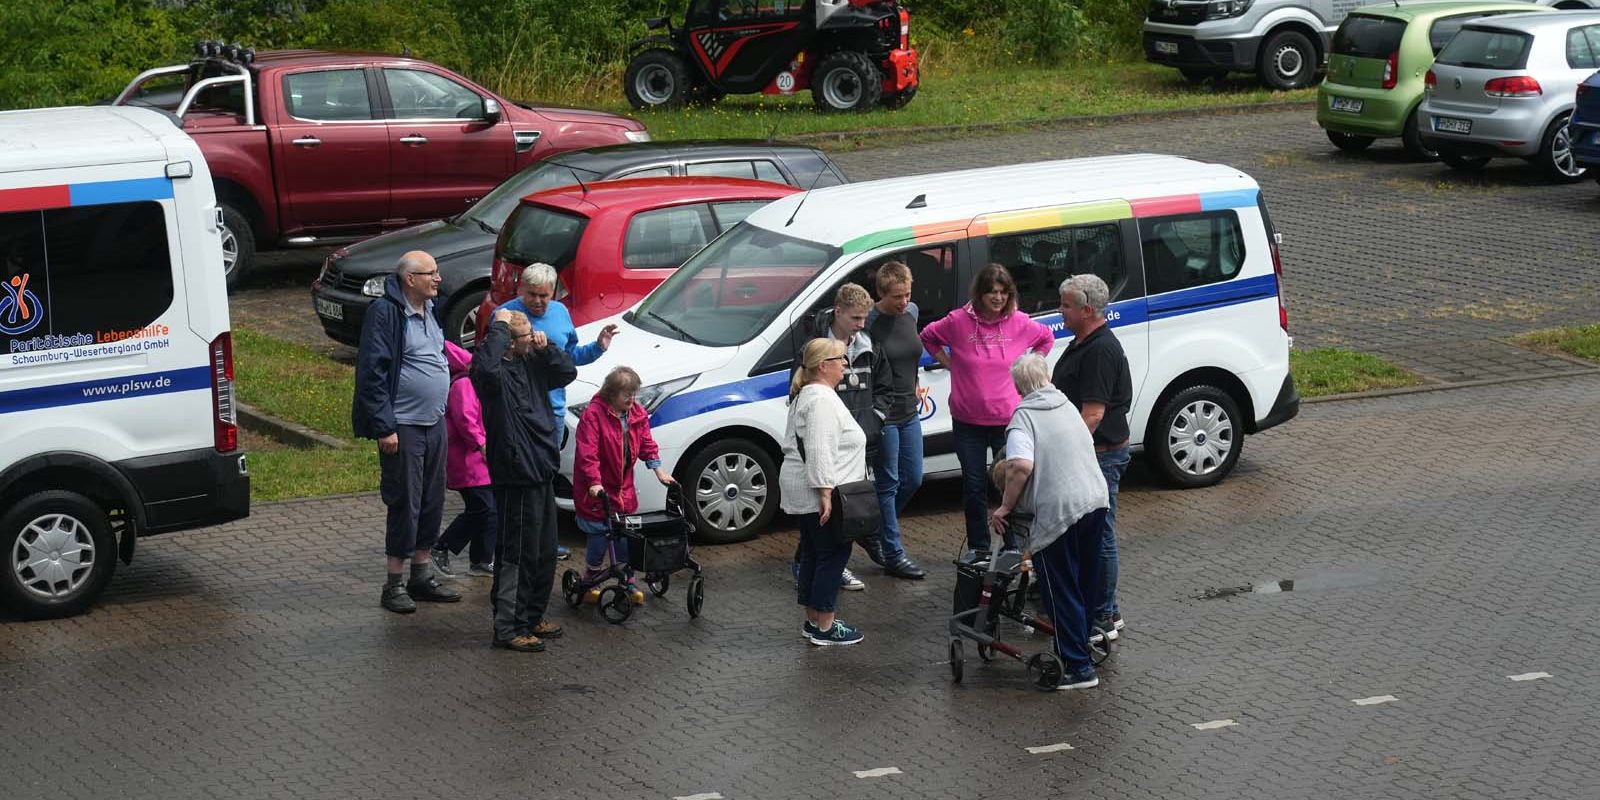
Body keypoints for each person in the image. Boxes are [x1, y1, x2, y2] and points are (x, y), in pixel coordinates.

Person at [919, 263, 1053, 561]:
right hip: (967, 421)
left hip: (1007, 420)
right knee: (974, 485)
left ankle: (1012, 545)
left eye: (1003, 293)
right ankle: (978, 546)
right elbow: (927, 336)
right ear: (980, 294)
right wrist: (948, 363)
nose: (997, 298)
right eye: (991, 292)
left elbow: (1046, 338)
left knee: (1009, 484)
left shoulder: (1019, 322)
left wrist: (1030, 366)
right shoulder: (957, 322)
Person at [990, 353, 1108, 690]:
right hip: (1095, 501)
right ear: (1047, 376)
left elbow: (1019, 467)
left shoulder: (1023, 419)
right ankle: (1081, 647)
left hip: (1060, 510)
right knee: (1085, 583)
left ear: (1017, 388)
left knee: (1060, 589)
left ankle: (1078, 668)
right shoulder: (1068, 406)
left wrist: (1005, 507)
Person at [353, 251, 463, 614]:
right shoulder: (386, 313)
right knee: (406, 502)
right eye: (430, 273)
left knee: (432, 501)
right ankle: (393, 585)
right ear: (409, 279)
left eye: (437, 272)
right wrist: (385, 426)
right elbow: (372, 373)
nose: (438, 279)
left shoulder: (430, 310)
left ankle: (420, 576)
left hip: (434, 423)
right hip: (403, 426)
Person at [472, 308, 577, 653]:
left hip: (541, 469)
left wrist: (546, 349)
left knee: (543, 551)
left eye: (533, 333)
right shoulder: (494, 374)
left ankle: (532, 616)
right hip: (516, 474)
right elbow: (483, 367)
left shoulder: (533, 363)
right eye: (526, 336)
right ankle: (508, 627)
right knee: (517, 553)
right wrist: (500, 326)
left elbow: (567, 372)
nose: (532, 339)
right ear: (507, 341)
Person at [498, 262, 619, 560]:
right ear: (520, 290)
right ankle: (518, 544)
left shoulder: (561, 314)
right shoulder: (506, 315)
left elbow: (570, 358)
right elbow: (496, 361)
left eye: (544, 295)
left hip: (552, 413)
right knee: (523, 480)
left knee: (545, 479)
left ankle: (544, 542)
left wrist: (597, 347)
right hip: (520, 413)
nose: (538, 302)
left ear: (554, 293)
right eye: (532, 295)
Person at [1053, 274, 1133, 643]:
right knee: (1093, 536)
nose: (1060, 310)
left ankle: (1103, 615)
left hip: (1100, 456)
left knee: (1100, 536)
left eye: (1066, 305)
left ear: (1087, 310)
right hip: (1095, 455)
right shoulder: (1084, 342)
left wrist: (1066, 452)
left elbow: (1094, 413)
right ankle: (1102, 607)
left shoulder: (1100, 351)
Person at [793, 283, 889, 590]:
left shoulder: (868, 344)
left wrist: (874, 420)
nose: (861, 325)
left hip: (861, 439)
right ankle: (822, 590)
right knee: (830, 519)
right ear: (838, 312)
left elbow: (885, 387)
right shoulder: (818, 350)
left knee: (850, 508)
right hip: (834, 450)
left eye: (864, 319)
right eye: (855, 318)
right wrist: (823, 488)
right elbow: (799, 395)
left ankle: (825, 570)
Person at [780, 338, 868, 646]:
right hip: (821, 493)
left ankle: (814, 621)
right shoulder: (820, 400)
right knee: (832, 554)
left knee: (815, 554)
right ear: (823, 366)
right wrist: (825, 493)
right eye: (840, 359)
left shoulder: (809, 394)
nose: (845, 364)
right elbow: (819, 449)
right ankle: (826, 626)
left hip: (810, 491)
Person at [572, 365, 675, 605]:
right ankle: (591, 578)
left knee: (626, 536)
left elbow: (647, 443)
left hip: (623, 489)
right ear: (611, 394)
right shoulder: (593, 416)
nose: (631, 398)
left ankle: (627, 580)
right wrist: (594, 483)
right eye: (625, 394)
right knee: (599, 535)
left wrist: (658, 470)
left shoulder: (636, 414)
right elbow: (588, 455)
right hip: (597, 490)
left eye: (633, 393)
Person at [865, 262, 927, 579]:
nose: (903, 302)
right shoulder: (871, 321)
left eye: (907, 294)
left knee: (914, 478)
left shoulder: (912, 312)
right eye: (896, 297)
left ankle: (873, 530)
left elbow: (911, 354)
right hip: (885, 415)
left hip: (909, 411)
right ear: (881, 293)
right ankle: (893, 553)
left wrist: (915, 384)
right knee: (888, 483)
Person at [431, 341, 495, 579]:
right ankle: (442, 546)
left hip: (481, 461)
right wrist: (481, 444)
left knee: (490, 510)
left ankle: (482, 559)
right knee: (482, 507)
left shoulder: (479, 383)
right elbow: (466, 420)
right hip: (468, 460)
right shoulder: (464, 385)